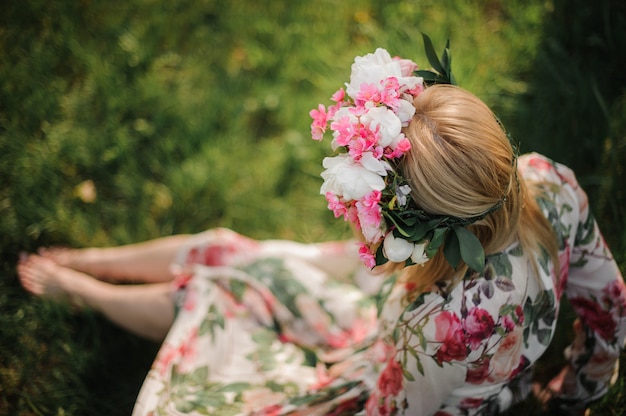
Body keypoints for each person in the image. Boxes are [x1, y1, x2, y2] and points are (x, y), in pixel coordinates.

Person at [17, 45, 626, 416]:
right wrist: (581, 388)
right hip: (415, 325)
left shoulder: (439, 326)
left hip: (392, 364)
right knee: (232, 251)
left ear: (421, 222)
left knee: (221, 292)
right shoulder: (548, 182)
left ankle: (86, 289)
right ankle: (95, 261)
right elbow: (611, 302)